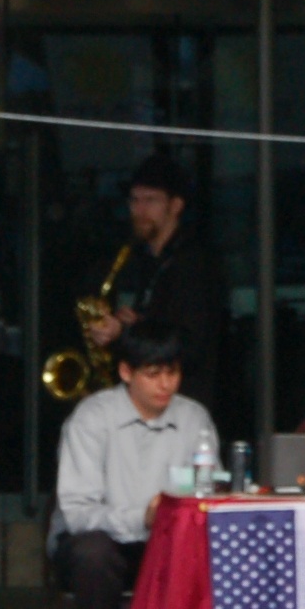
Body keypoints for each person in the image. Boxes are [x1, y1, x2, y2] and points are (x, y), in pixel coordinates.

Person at [54, 321, 218, 609]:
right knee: (93, 555)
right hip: (104, 543)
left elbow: (208, 494)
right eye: (153, 373)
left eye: (172, 373)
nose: (165, 384)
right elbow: (77, 512)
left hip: (169, 544)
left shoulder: (194, 419)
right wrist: (143, 516)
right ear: (126, 372)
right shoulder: (92, 418)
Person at [86, 154, 226, 419]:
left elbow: (191, 345)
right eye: (134, 200)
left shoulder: (194, 263)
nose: (139, 210)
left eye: (150, 200)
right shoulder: (141, 259)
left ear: (176, 205)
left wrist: (126, 332)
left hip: (180, 407)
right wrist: (131, 325)